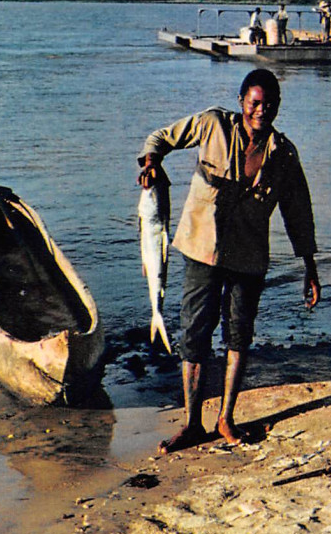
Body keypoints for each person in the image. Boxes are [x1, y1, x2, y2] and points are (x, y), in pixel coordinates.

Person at [137, 69, 320, 454]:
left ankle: (226, 418)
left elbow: (298, 212)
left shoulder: (284, 155)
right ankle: (191, 424)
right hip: (202, 250)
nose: (261, 110)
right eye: (254, 103)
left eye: (269, 105)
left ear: (277, 107)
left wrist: (310, 266)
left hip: (249, 259)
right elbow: (160, 138)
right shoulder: (211, 124)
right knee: (194, 336)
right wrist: (152, 162)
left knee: (239, 336)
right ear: (241, 102)